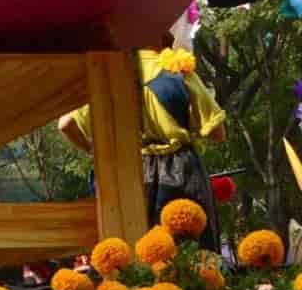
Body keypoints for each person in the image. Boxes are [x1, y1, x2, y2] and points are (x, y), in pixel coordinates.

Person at [58, 34, 226, 250]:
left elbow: (65, 125)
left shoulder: (109, 78)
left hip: (132, 174)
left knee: (139, 251)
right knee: (194, 250)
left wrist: (96, 152)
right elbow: (218, 133)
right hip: (182, 170)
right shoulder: (177, 71)